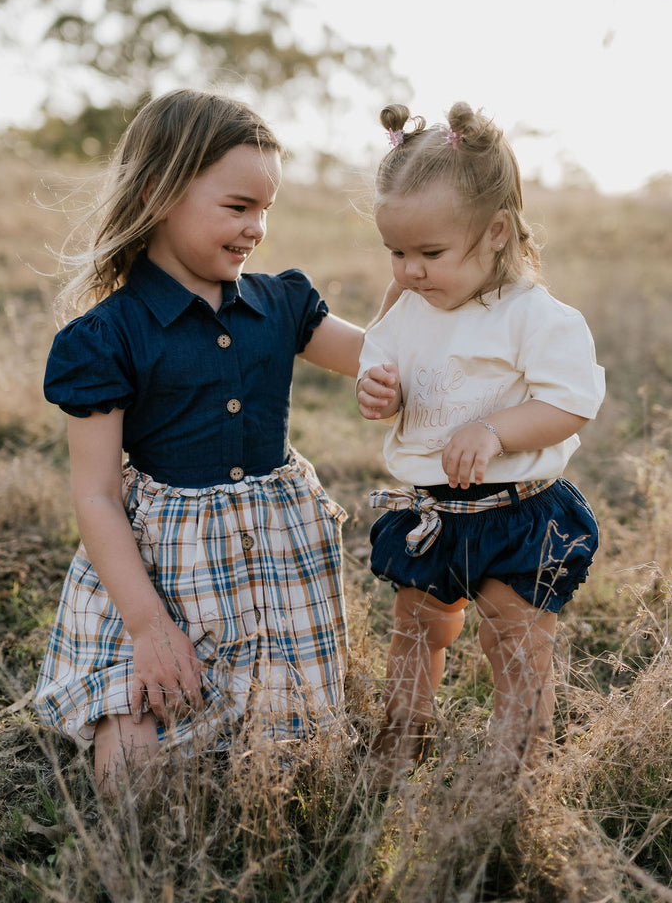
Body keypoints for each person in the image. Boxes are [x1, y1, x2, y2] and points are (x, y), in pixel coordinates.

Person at [34, 89, 368, 793]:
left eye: (266, 209)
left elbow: (383, 360)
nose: (257, 229)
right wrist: (150, 628)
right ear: (158, 194)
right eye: (238, 207)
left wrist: (415, 260)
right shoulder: (107, 335)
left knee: (294, 767)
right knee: (135, 775)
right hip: (157, 569)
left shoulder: (281, 303)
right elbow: (94, 495)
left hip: (272, 561)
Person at [356, 101, 605, 783]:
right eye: (396, 252)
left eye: (428, 253)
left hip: (517, 510)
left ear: (496, 231)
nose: (408, 270)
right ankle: (402, 734)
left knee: (513, 635)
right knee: (415, 628)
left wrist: (493, 429)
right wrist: (382, 393)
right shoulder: (407, 305)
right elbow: (382, 362)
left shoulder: (533, 316)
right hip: (433, 513)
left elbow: (568, 403)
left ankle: (519, 761)